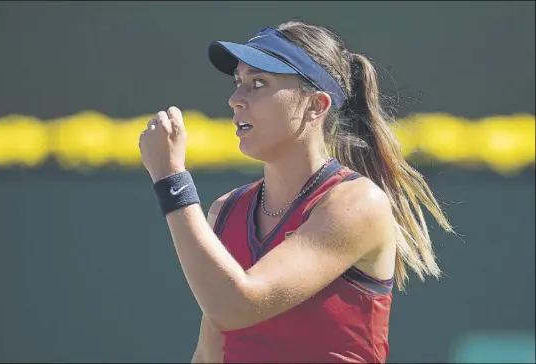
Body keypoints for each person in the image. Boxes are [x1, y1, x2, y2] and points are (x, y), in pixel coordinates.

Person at [139, 20, 454, 363]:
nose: (235, 99)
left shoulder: (357, 203)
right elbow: (209, 355)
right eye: (237, 82)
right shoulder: (227, 210)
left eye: (259, 83)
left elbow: (238, 305)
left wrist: (172, 181)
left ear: (316, 105)